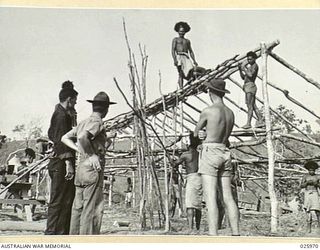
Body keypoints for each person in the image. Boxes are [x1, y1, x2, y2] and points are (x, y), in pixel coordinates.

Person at [61, 91, 117, 235]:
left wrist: (82, 151)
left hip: (81, 170)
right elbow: (82, 137)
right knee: (91, 210)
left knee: (78, 209)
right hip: (92, 170)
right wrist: (92, 155)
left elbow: (65, 138)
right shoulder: (97, 122)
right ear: (106, 109)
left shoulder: (83, 122)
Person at [194, 78, 239, 236]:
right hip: (225, 151)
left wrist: (202, 134)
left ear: (210, 92)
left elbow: (195, 133)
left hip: (210, 151)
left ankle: (213, 236)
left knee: (210, 196)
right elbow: (224, 135)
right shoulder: (230, 113)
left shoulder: (208, 111)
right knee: (228, 197)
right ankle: (236, 234)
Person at [45, 81, 78, 235]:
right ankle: (51, 234)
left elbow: (52, 136)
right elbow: (60, 140)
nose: (76, 103)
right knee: (58, 201)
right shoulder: (60, 116)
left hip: (60, 162)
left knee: (66, 200)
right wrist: (68, 163)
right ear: (69, 100)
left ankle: (61, 233)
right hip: (61, 164)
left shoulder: (63, 114)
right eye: (75, 101)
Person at [173, 132, 202, 232]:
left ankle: (190, 228)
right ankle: (197, 227)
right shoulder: (200, 154)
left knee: (190, 204)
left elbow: (175, 164)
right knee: (198, 204)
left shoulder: (186, 155)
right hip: (200, 178)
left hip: (192, 178)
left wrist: (172, 160)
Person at [238, 51, 263, 129]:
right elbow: (244, 77)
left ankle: (248, 123)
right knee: (253, 105)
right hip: (247, 86)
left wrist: (244, 69)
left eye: (250, 59)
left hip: (250, 86)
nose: (249, 61)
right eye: (248, 59)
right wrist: (240, 70)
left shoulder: (255, 66)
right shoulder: (249, 67)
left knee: (250, 105)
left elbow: (251, 75)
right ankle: (260, 120)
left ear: (254, 59)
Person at [172, 21, 198, 88]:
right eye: (180, 31)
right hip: (179, 56)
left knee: (191, 71)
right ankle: (181, 88)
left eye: (183, 31)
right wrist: (175, 59)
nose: (181, 33)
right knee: (180, 73)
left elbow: (191, 51)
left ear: (185, 31)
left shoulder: (187, 41)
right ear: (177, 31)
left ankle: (192, 84)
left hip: (186, 57)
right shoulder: (175, 39)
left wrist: (194, 60)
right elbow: (173, 50)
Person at [300, 161, 320, 233]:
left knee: (317, 210)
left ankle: (319, 226)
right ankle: (309, 227)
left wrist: (316, 184)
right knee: (308, 210)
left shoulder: (318, 176)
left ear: (315, 170)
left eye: (313, 170)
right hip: (307, 193)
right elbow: (301, 186)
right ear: (308, 170)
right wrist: (307, 183)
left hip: (315, 193)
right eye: (310, 170)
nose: (311, 171)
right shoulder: (305, 176)